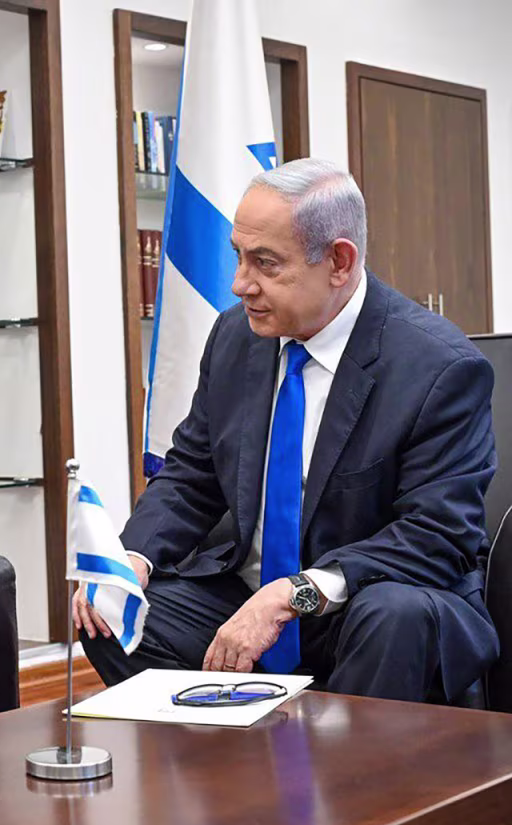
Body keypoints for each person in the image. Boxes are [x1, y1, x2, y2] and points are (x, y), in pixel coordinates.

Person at [75, 158, 497, 703]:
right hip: (244, 595)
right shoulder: (235, 337)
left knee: (394, 614)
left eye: (265, 263)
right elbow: (191, 476)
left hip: (364, 600)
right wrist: (131, 558)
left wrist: (292, 595)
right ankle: (232, 748)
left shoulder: (438, 367)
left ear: (339, 262)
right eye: (238, 256)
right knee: (112, 613)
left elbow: (436, 535)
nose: (239, 284)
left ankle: (346, 758)